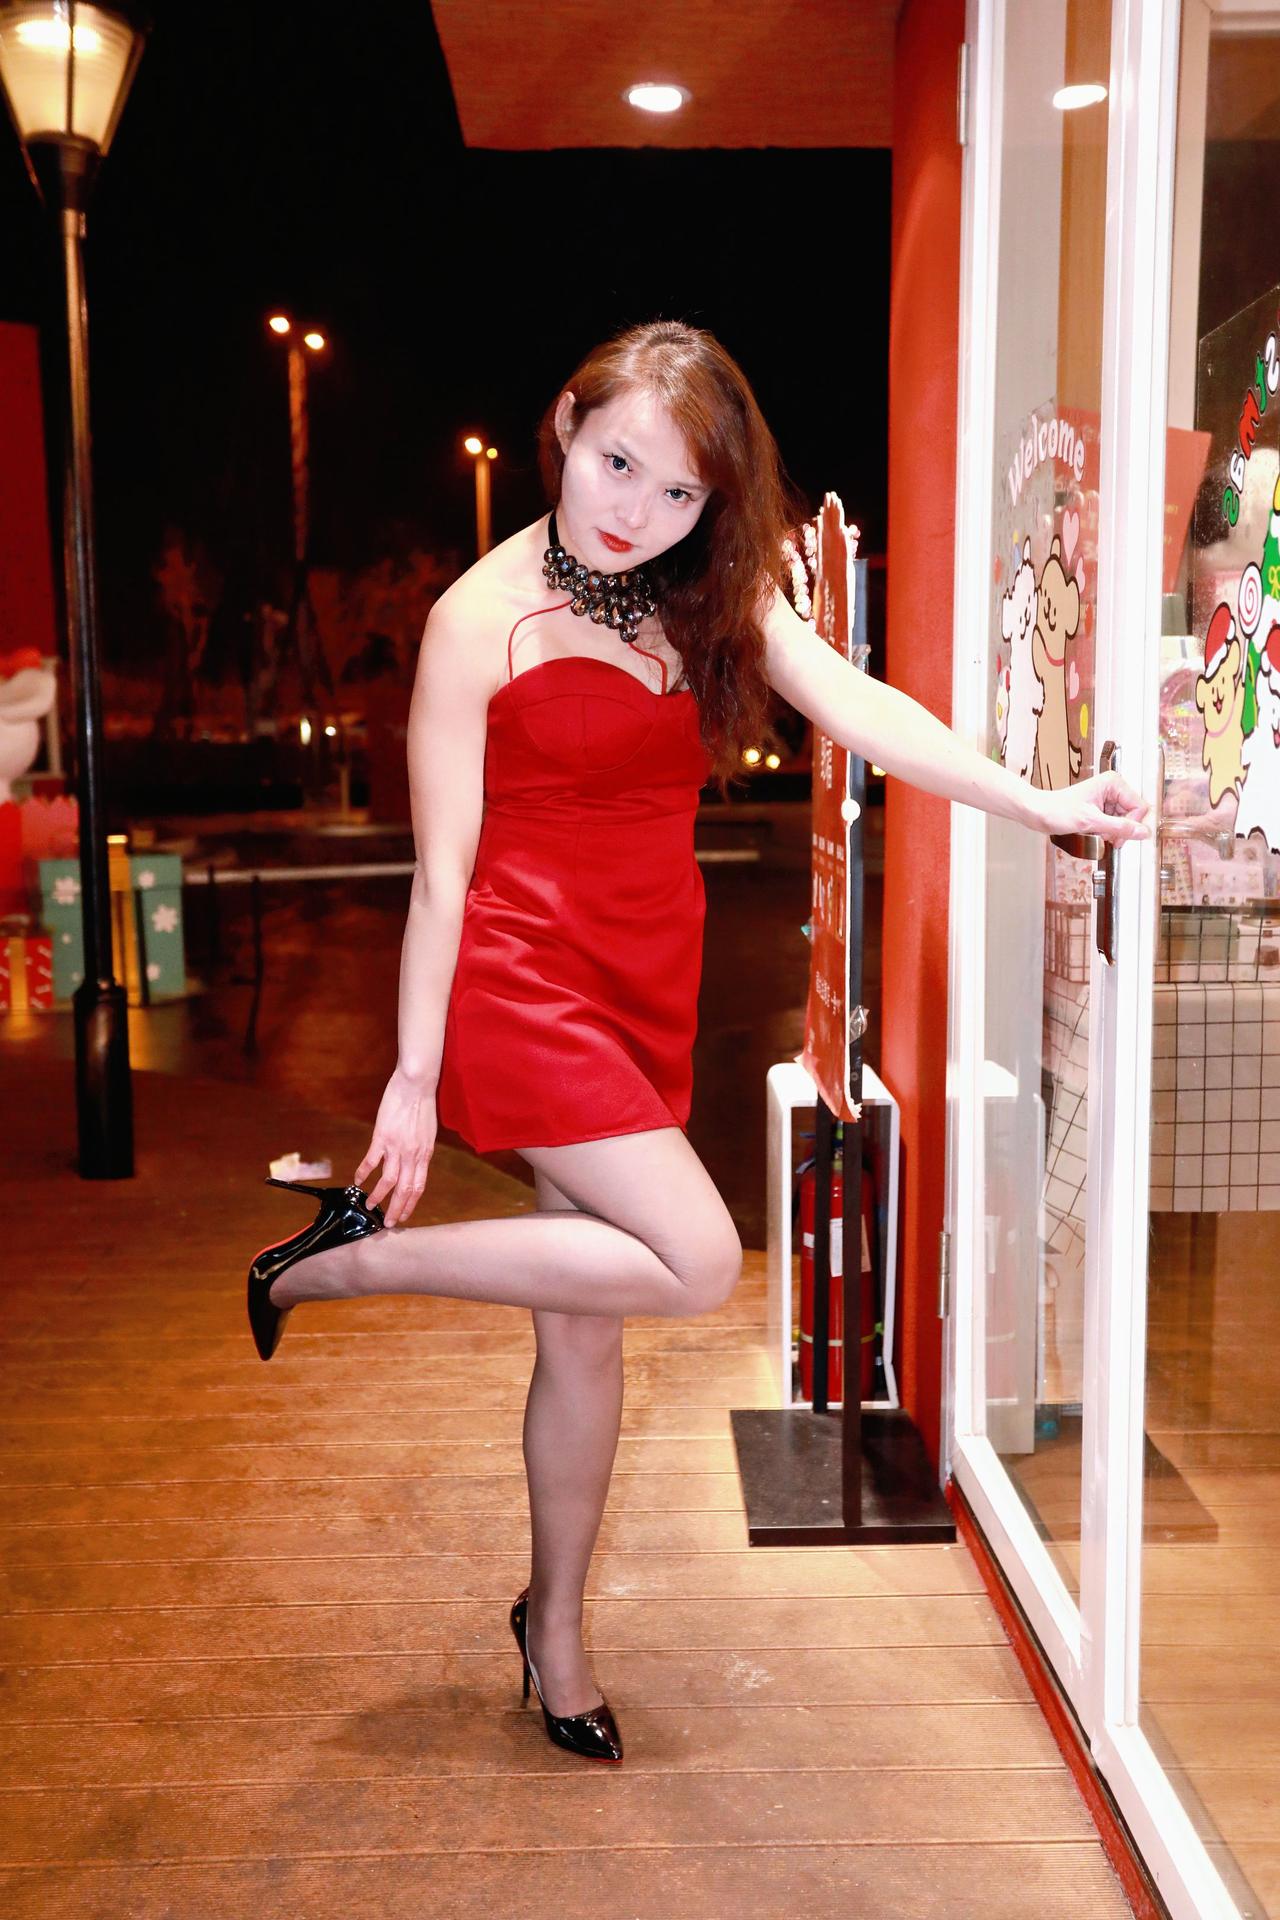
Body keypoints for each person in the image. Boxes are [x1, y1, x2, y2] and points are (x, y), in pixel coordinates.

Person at [246, 318, 1152, 1766]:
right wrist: (410, 1083)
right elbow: (439, 874)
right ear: (565, 424)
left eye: (679, 491)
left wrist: (1036, 803)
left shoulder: (703, 593)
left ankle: (554, 1632)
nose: (638, 511)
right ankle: (349, 1263)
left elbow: (856, 706)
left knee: (583, 1335)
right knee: (695, 1258)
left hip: (643, 974)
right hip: (522, 980)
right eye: (618, 464)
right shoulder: (477, 619)